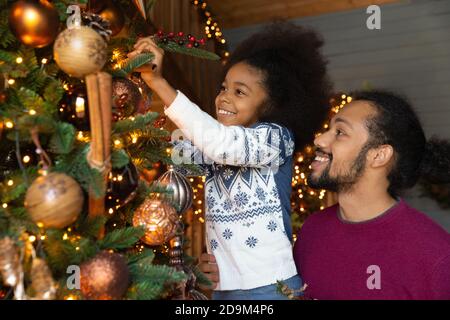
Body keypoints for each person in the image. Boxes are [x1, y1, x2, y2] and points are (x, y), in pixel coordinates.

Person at [129, 21, 332, 299]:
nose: (224, 98)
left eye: (239, 92)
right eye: (223, 88)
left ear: (271, 105)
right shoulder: (214, 143)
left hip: (272, 288)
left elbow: (224, 146)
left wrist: (160, 83)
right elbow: (175, 153)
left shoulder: (275, 140)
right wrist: (135, 103)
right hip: (224, 289)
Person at [295, 90, 450, 299]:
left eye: (340, 132)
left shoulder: (435, 256)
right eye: (329, 129)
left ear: (379, 155)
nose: (320, 140)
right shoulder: (312, 230)